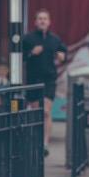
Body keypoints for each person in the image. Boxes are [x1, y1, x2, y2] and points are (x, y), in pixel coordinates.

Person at [22, 10, 67, 154]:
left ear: (49, 22)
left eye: (45, 19)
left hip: (49, 80)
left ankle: (45, 144)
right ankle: (35, 141)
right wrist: (31, 53)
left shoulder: (54, 39)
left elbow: (63, 53)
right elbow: (19, 57)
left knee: (46, 111)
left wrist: (62, 56)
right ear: (35, 22)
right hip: (33, 79)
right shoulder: (28, 39)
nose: (42, 21)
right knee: (36, 112)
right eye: (40, 19)